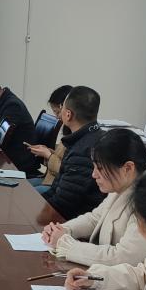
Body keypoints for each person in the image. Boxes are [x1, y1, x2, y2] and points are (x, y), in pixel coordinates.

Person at [41, 129, 146, 266]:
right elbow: (95, 218)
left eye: (100, 168)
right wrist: (64, 230)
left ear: (128, 168)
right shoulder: (124, 182)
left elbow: (124, 257)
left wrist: (66, 244)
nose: (94, 175)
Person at [41, 86, 105, 218]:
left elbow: (62, 204)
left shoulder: (82, 150)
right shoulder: (93, 136)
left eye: (62, 107)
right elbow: (56, 189)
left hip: (73, 220)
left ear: (68, 114)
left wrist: (35, 209)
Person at [27, 85, 72, 196]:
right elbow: (62, 157)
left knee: (23, 193)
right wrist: (48, 151)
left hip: (56, 184)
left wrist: (48, 155)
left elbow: (65, 171)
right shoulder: (68, 130)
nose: (57, 117)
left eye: (57, 112)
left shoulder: (76, 134)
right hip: (49, 179)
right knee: (20, 186)